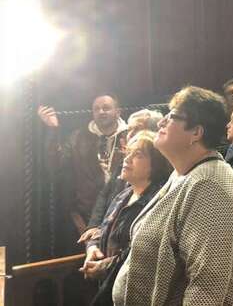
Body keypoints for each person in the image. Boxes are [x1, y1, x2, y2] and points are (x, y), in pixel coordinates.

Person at [111, 86, 233, 305]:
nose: (161, 122)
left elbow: (207, 285)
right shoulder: (184, 174)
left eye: (172, 116)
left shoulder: (209, 185)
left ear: (196, 132)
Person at [81, 131, 171, 306]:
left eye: (138, 155)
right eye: (128, 152)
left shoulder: (156, 201)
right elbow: (102, 229)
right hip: (108, 286)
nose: (127, 159)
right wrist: (92, 247)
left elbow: (141, 254)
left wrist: (104, 266)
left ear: (156, 164)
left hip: (132, 291)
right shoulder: (124, 194)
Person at [38, 94, 128, 244]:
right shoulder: (78, 138)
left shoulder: (130, 136)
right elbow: (55, 165)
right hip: (88, 212)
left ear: (117, 112)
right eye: (96, 109)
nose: (101, 112)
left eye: (106, 108)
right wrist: (53, 129)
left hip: (123, 209)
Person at [82, 109, 163, 241]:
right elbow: (105, 194)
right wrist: (94, 228)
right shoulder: (123, 193)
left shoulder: (159, 192)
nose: (130, 135)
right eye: (129, 130)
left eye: (137, 129)